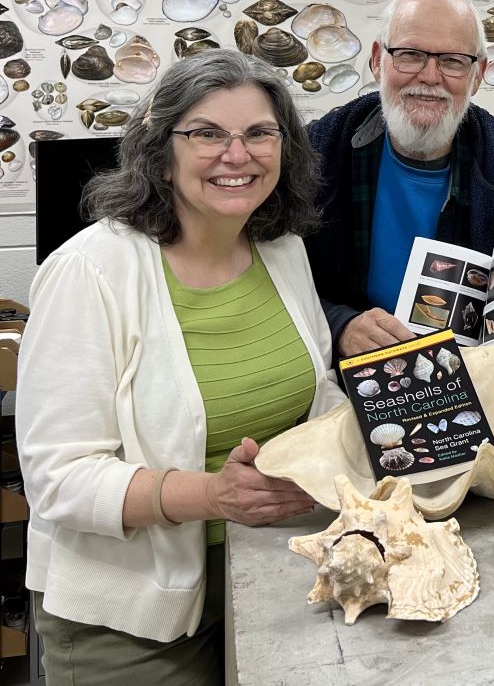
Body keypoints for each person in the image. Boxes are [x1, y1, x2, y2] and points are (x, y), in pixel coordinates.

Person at [16, 50, 346, 684]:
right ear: (159, 149)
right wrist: (216, 496)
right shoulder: (91, 270)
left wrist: (371, 427)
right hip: (129, 618)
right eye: (206, 134)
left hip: (274, 574)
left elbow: (317, 391)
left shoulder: (282, 252)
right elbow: (58, 480)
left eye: (258, 133)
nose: (237, 154)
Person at [306, 0, 494, 357]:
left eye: (452, 60)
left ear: (477, 75)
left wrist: (489, 362)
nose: (430, 76)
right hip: (346, 389)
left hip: (479, 393)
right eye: (410, 55)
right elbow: (272, 282)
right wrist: (339, 326)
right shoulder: (317, 158)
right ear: (377, 61)